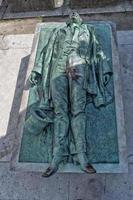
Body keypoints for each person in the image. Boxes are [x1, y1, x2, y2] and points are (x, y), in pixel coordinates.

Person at [29, 12, 112, 177]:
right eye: (71, 13)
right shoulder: (59, 32)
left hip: (79, 66)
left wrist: (104, 68)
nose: (74, 14)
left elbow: (98, 51)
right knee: (60, 112)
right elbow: (47, 51)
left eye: (77, 13)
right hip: (58, 68)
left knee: (78, 111)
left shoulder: (88, 31)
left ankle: (81, 155)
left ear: (81, 19)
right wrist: (37, 69)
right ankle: (56, 157)